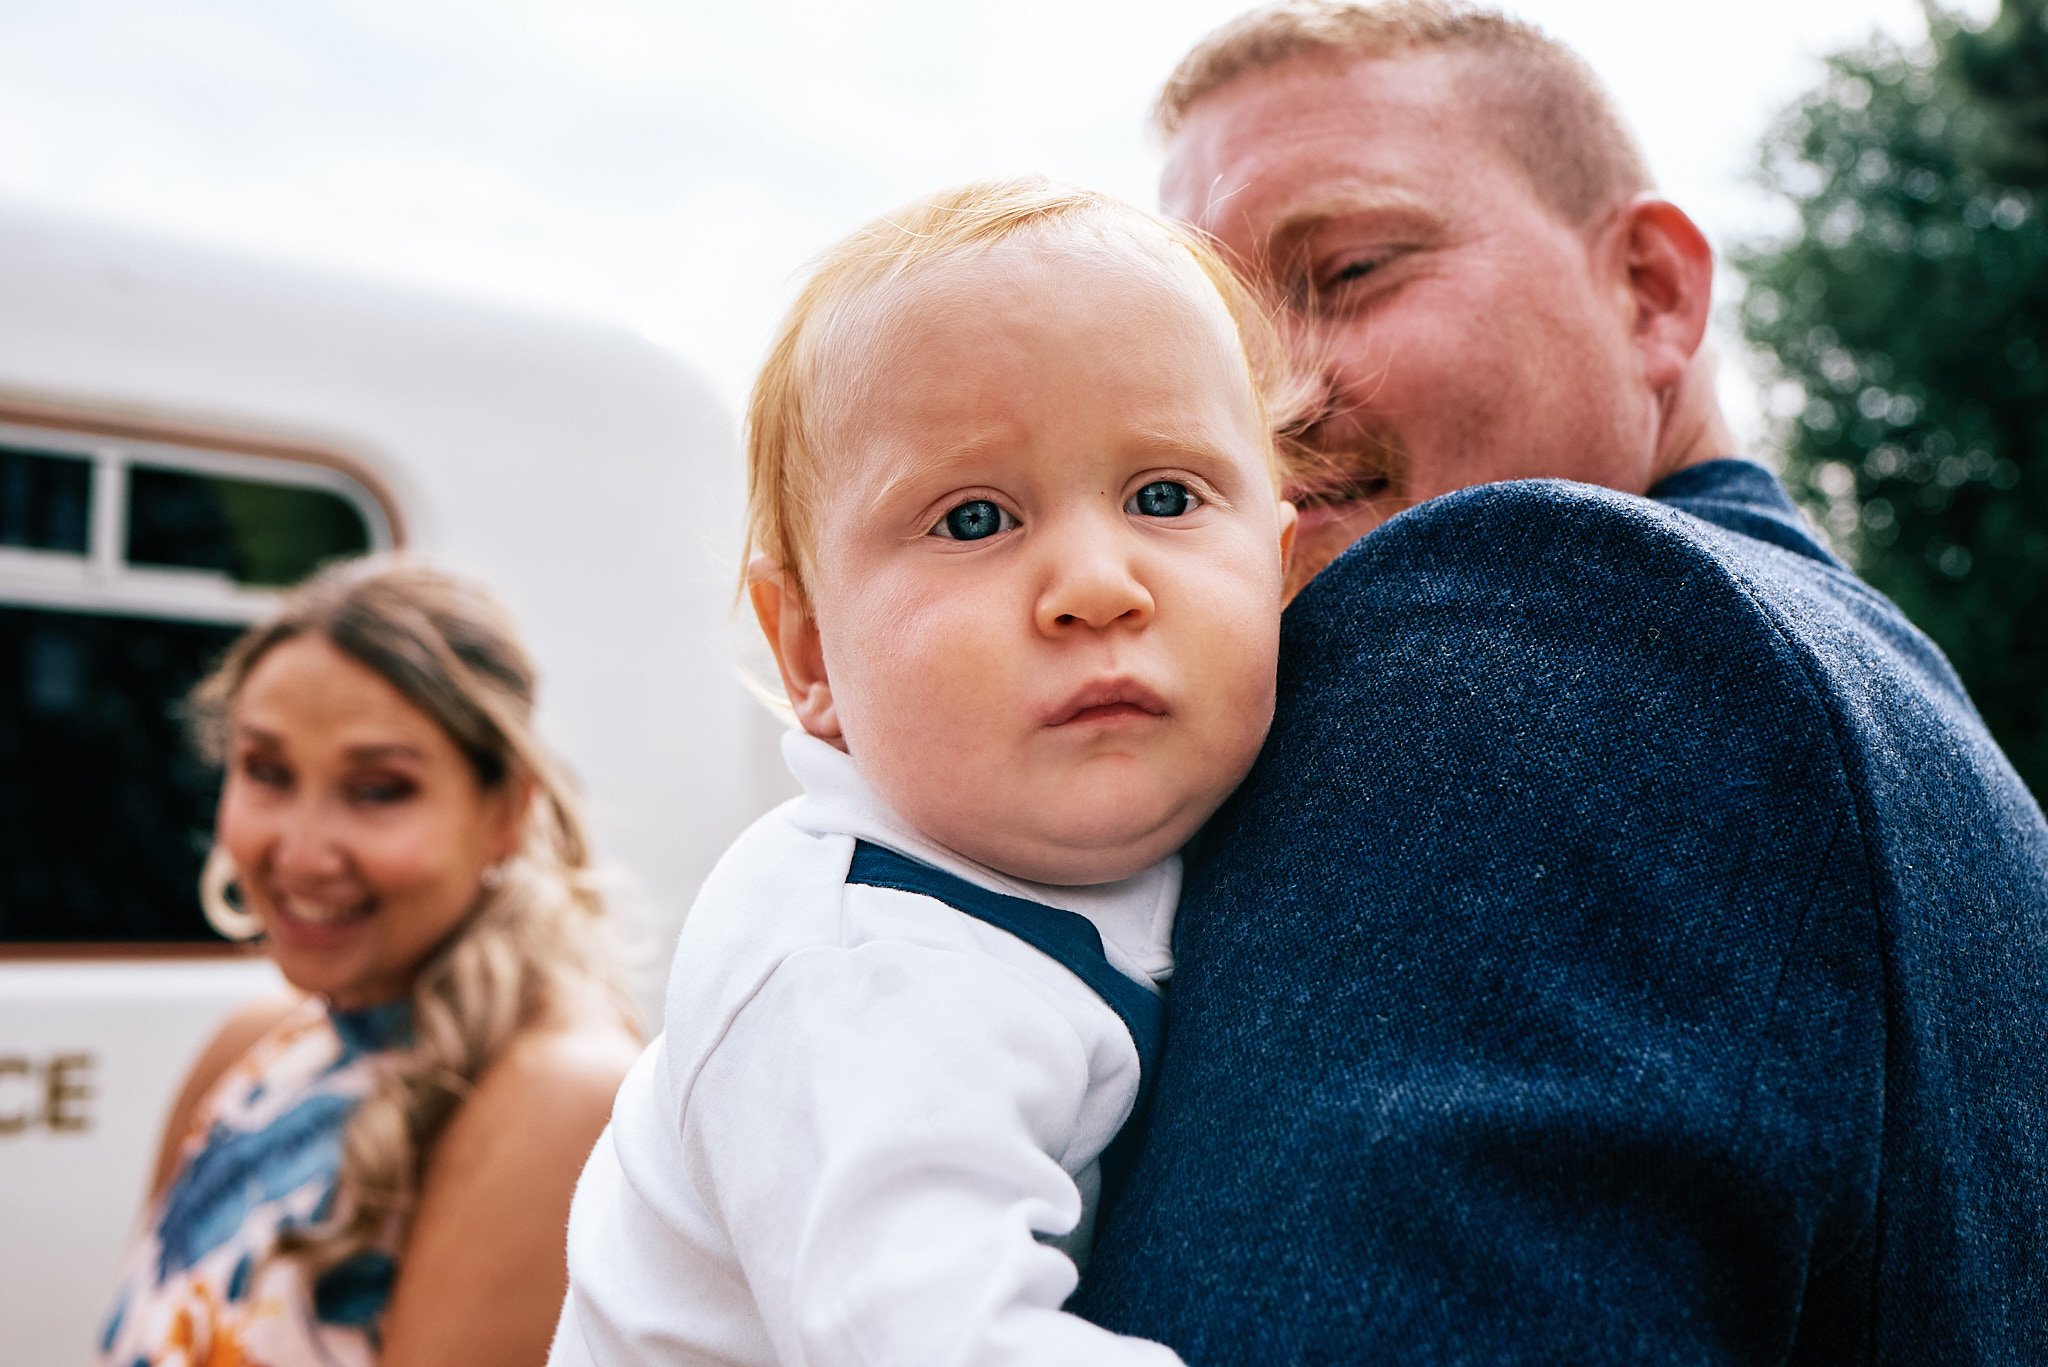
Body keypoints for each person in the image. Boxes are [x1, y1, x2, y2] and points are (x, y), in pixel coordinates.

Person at [1071, 2, 2048, 1362]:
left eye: (1347, 271)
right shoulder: (1914, 714)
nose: (1262, 404)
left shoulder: (1527, 617)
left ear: (1650, 289)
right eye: (1214, 346)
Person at [548, 177, 1299, 1365]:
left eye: (1164, 495)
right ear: (809, 651)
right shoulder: (857, 965)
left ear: (1279, 565)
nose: (1096, 583)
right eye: (971, 519)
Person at [100, 558, 641, 1366]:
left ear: (505, 810)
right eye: (268, 771)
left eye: (379, 789)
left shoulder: (562, 1093)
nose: (303, 852)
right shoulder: (252, 1047)